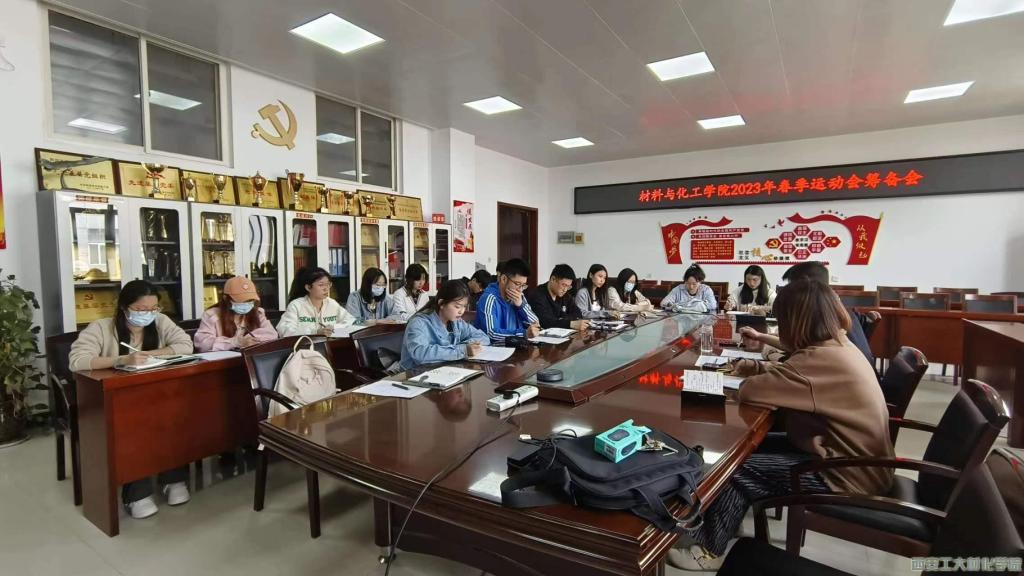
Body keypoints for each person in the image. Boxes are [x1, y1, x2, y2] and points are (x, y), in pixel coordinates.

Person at [669, 278, 894, 570]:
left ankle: (709, 550)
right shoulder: (836, 345)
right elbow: (790, 371)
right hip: (856, 460)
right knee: (746, 450)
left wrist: (753, 372)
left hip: (843, 474)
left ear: (795, 321)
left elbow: (752, 391)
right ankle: (727, 518)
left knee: (736, 468)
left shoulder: (821, 359)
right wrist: (756, 366)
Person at [68, 280, 194, 519]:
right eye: (141, 309)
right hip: (115, 401)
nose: (148, 314)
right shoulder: (101, 328)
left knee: (175, 419)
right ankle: (137, 491)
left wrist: (151, 354)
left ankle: (173, 478)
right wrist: (121, 360)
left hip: (156, 395)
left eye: (153, 308)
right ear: (124, 307)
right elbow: (77, 361)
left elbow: (185, 345)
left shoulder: (160, 321)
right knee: (136, 428)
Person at [739, 261, 877, 366]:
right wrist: (760, 336)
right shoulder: (836, 311)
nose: (791, 292)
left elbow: (803, 359)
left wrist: (769, 358)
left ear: (807, 285)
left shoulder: (823, 318)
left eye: (793, 286)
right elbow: (798, 346)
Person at [398, 280, 490, 371]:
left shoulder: (457, 322)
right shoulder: (419, 322)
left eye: (464, 306)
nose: (461, 311)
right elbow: (420, 354)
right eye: (457, 306)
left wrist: (467, 346)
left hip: (443, 372)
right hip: (414, 375)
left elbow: (483, 337)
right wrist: (462, 350)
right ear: (441, 303)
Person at [194, 276, 278, 352]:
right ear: (226, 298)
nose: (246, 304)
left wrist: (247, 340)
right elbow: (202, 344)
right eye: (241, 301)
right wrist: (235, 342)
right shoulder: (211, 315)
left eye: (250, 300)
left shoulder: (257, 313)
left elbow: (272, 334)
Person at [473, 257, 541, 342]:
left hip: (516, 345)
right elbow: (491, 334)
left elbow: (536, 324)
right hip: (495, 348)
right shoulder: (489, 298)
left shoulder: (519, 297)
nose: (520, 290)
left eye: (523, 285)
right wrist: (524, 334)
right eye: (517, 284)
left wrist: (521, 306)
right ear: (503, 279)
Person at [277, 267, 355, 337]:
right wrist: (314, 332)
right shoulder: (296, 305)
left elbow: (352, 321)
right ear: (308, 287)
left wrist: (335, 327)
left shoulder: (332, 304)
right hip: (306, 346)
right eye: (321, 285)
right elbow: (285, 331)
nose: (326, 289)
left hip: (331, 345)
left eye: (328, 284)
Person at [525, 264, 589, 331]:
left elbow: (578, 314)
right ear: (553, 279)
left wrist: (561, 319)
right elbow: (545, 322)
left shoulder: (565, 295)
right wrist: (570, 323)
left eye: (568, 286)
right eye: (563, 285)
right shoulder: (537, 295)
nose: (565, 290)